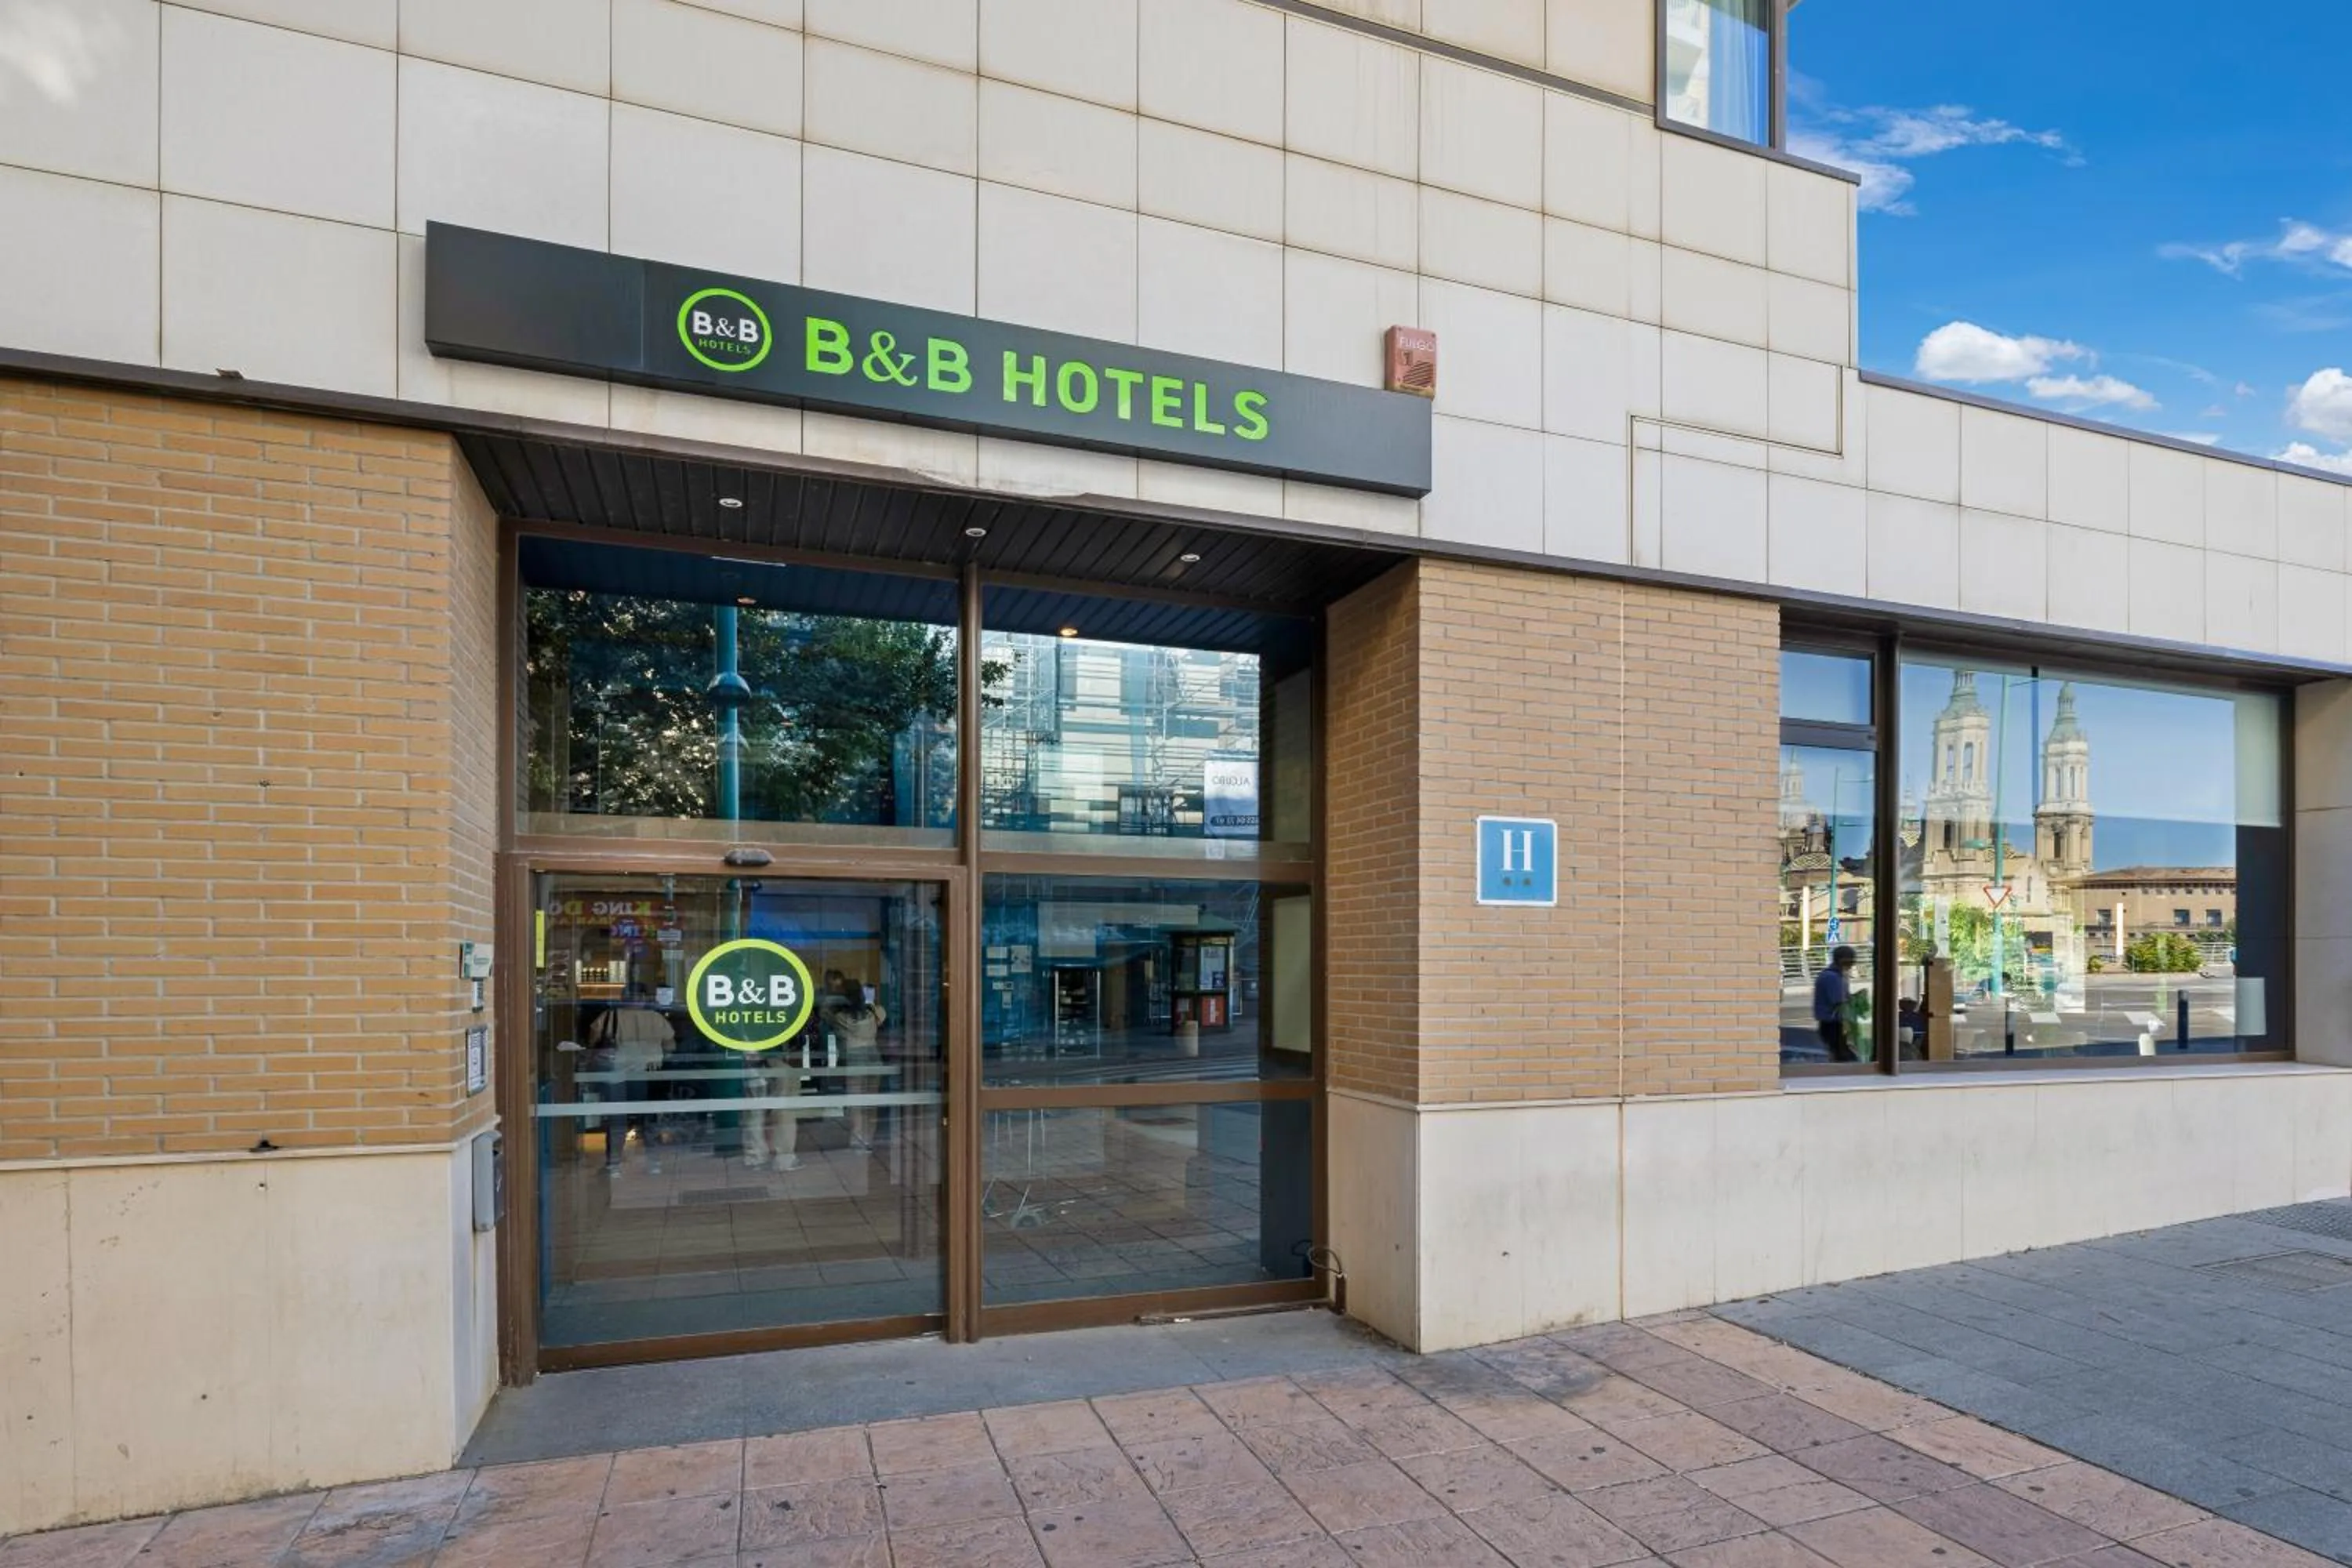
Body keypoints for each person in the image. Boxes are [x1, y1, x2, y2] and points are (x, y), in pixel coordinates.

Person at [590, 983, 673, 1174]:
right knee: (647, 1118)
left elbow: (593, 1039)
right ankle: (654, 1163)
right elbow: (670, 1045)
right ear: (644, 998)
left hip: (616, 1073)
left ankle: (614, 1164)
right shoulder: (655, 1018)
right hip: (648, 1072)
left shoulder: (610, 1017)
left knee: (617, 1119)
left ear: (623, 997)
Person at [822, 975, 888, 1149]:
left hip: (853, 1058)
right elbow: (882, 1012)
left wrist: (833, 997)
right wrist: (869, 1002)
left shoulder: (840, 1017)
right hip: (873, 1057)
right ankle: (869, 1139)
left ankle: (857, 1138)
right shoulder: (873, 1013)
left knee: (856, 1102)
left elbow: (824, 1012)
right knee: (871, 1102)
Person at [1813, 946, 1860, 1062]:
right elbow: (1839, 1001)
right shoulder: (1832, 977)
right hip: (1832, 1024)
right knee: (1841, 1055)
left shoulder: (1836, 976)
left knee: (1838, 1053)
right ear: (1842, 960)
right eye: (1850, 961)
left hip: (1833, 1023)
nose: (1852, 965)